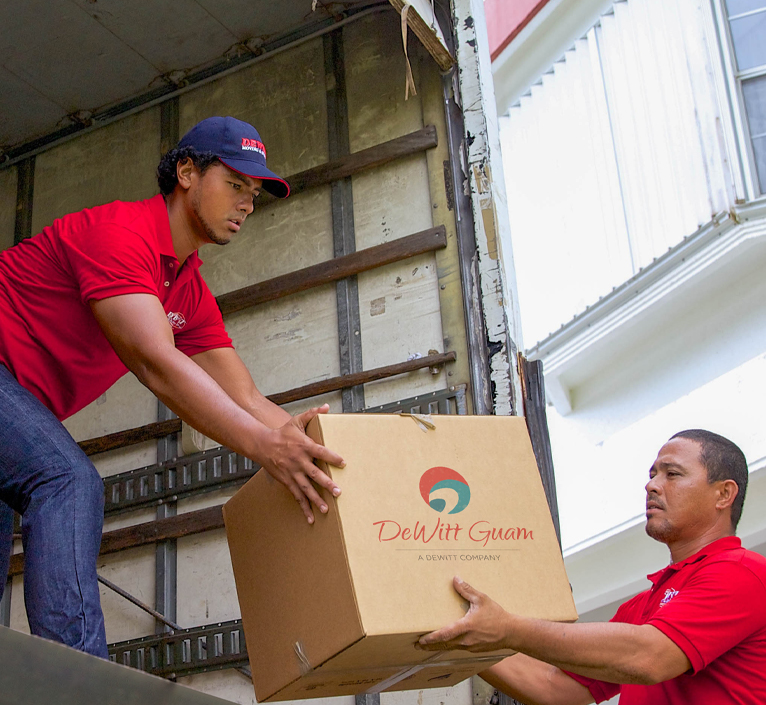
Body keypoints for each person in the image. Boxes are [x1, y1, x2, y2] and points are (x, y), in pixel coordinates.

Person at [0, 116, 345, 658]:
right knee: (67, 481)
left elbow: (247, 399)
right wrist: (263, 448)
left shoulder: (185, 288)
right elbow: (156, 362)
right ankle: (76, 686)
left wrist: (314, 449)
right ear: (187, 172)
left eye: (253, 194)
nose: (246, 204)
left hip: (13, 409)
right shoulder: (119, 234)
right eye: (234, 184)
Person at [419, 429, 766, 704]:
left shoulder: (743, 572)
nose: (651, 485)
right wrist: (457, 631)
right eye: (652, 474)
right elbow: (555, 689)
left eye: (672, 474)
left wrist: (508, 628)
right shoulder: (644, 606)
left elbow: (651, 657)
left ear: (724, 494)